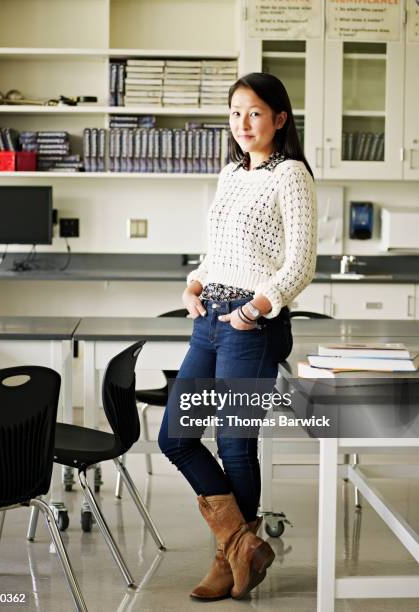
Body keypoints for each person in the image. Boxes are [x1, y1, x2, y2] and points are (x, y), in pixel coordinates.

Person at [158, 72, 317, 601]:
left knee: (234, 446)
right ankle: (242, 546)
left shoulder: (291, 175)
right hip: (210, 320)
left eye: (254, 112)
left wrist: (255, 307)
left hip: (253, 326)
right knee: (176, 438)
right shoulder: (230, 172)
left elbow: (300, 264)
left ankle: (229, 563)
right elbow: (219, 252)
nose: (243, 123)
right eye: (235, 112)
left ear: (279, 118)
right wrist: (193, 284)